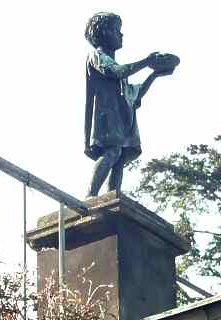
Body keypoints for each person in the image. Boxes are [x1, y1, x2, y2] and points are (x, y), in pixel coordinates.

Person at [84, 12, 174, 197]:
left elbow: (135, 93)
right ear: (104, 32)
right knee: (112, 152)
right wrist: (147, 62)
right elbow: (117, 71)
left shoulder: (119, 70)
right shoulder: (97, 56)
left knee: (120, 157)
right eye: (117, 30)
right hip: (106, 116)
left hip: (121, 118)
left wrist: (154, 75)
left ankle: (113, 195)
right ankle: (91, 195)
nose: (121, 35)